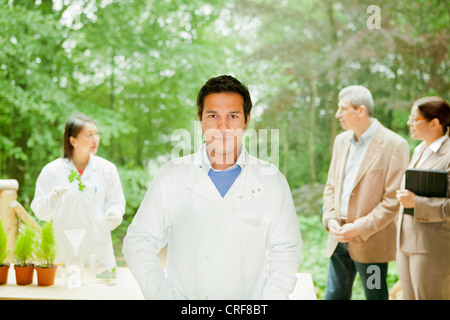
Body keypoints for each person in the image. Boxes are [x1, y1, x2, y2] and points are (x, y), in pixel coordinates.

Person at [122, 75, 302, 300]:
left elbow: (286, 250)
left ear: (246, 121)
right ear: (200, 119)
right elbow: (139, 242)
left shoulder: (271, 180)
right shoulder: (172, 176)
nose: (223, 126)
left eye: (233, 116)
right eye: (213, 115)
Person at [322, 85, 410, 300]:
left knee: (375, 295)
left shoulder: (395, 145)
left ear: (360, 111)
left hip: (371, 243)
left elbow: (393, 201)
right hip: (337, 238)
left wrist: (358, 228)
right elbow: (331, 186)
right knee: (334, 296)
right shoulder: (341, 141)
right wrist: (330, 218)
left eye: (342, 109)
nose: (337, 114)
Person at [31, 115, 125, 269]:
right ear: (73, 140)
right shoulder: (52, 171)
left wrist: (113, 214)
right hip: (63, 252)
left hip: (97, 251)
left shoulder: (107, 169)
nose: (95, 139)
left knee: (100, 290)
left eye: (96, 134)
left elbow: (116, 202)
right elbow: (40, 212)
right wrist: (51, 200)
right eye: (89, 135)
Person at [395, 96, 450, 300]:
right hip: (405, 241)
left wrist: (416, 203)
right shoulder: (418, 150)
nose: (409, 123)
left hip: (431, 246)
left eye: (414, 118)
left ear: (435, 122)